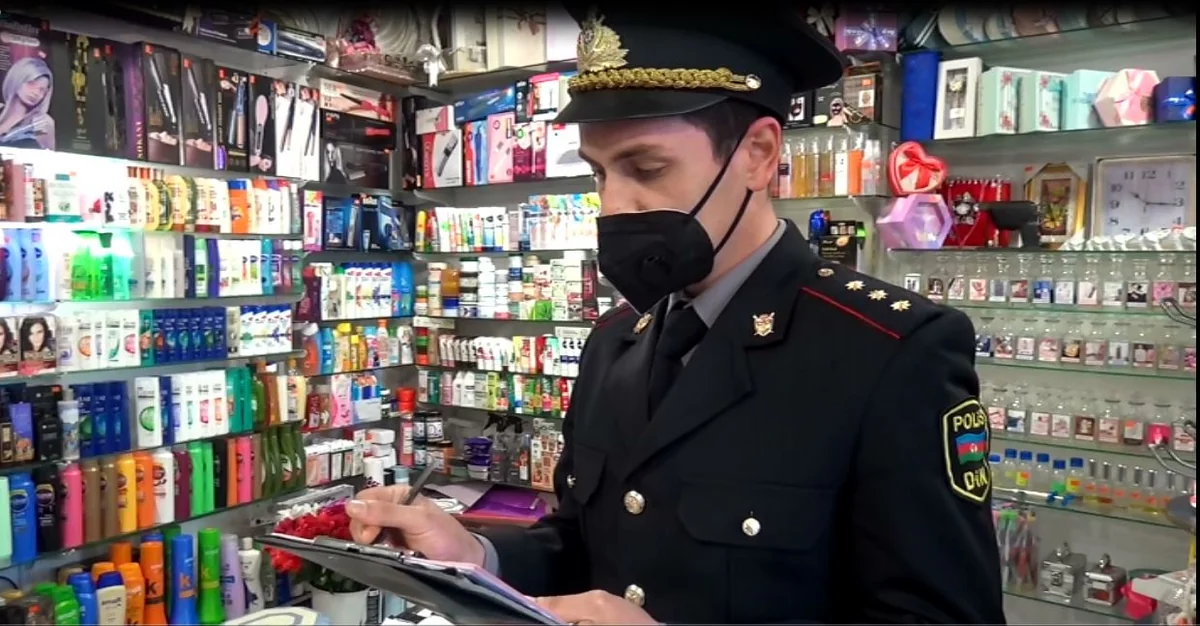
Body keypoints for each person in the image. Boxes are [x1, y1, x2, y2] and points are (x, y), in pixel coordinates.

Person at [348, 6, 1005, 624]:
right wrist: (475, 556)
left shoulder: (890, 352)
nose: (613, 205)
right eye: (599, 173)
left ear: (757, 155)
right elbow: (584, 545)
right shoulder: (615, 343)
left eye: (646, 167)